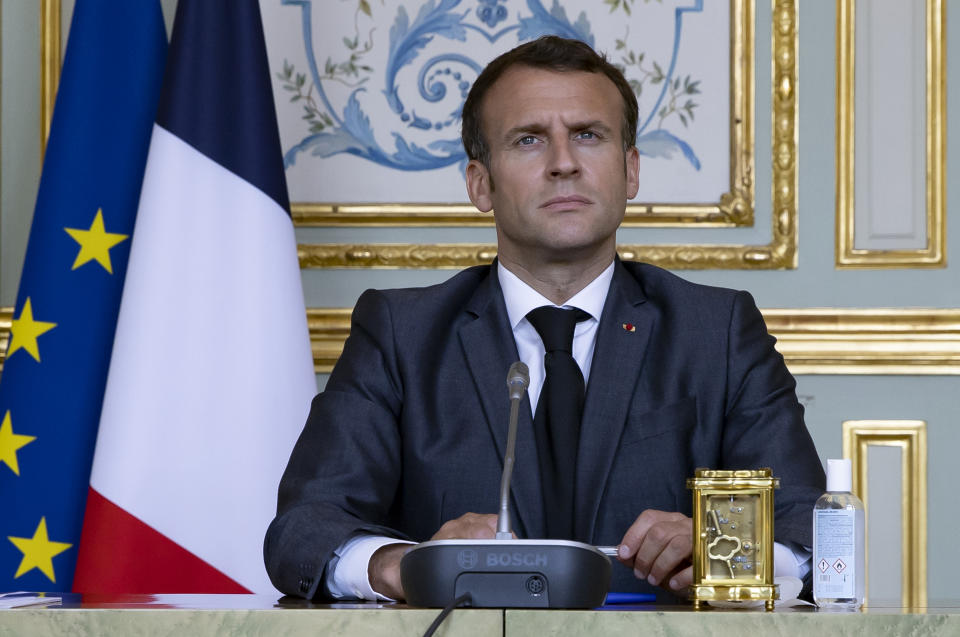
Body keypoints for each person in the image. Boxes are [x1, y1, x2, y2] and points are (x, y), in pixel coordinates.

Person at [263, 36, 825, 602]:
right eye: (529, 140)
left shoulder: (718, 330)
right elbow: (304, 531)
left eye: (588, 135)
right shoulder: (400, 334)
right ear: (479, 183)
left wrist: (723, 549)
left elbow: (806, 528)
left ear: (630, 172)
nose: (563, 163)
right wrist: (406, 565)